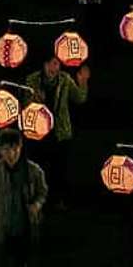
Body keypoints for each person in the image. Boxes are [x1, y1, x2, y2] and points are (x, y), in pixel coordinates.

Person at [23, 54, 89, 208]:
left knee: (59, 168)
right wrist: (33, 101)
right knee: (39, 167)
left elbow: (79, 98)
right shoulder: (32, 80)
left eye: (56, 64)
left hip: (59, 132)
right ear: (44, 65)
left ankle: (58, 200)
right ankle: (38, 199)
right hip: (39, 131)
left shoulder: (65, 79)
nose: (53, 68)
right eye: (50, 64)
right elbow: (24, 104)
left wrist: (83, 82)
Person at [0, 127, 46, 267]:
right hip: (1, 225)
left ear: (20, 147)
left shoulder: (33, 170)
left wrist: (37, 205)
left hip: (24, 226)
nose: (11, 154)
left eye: (14, 149)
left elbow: (42, 192)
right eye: (5, 150)